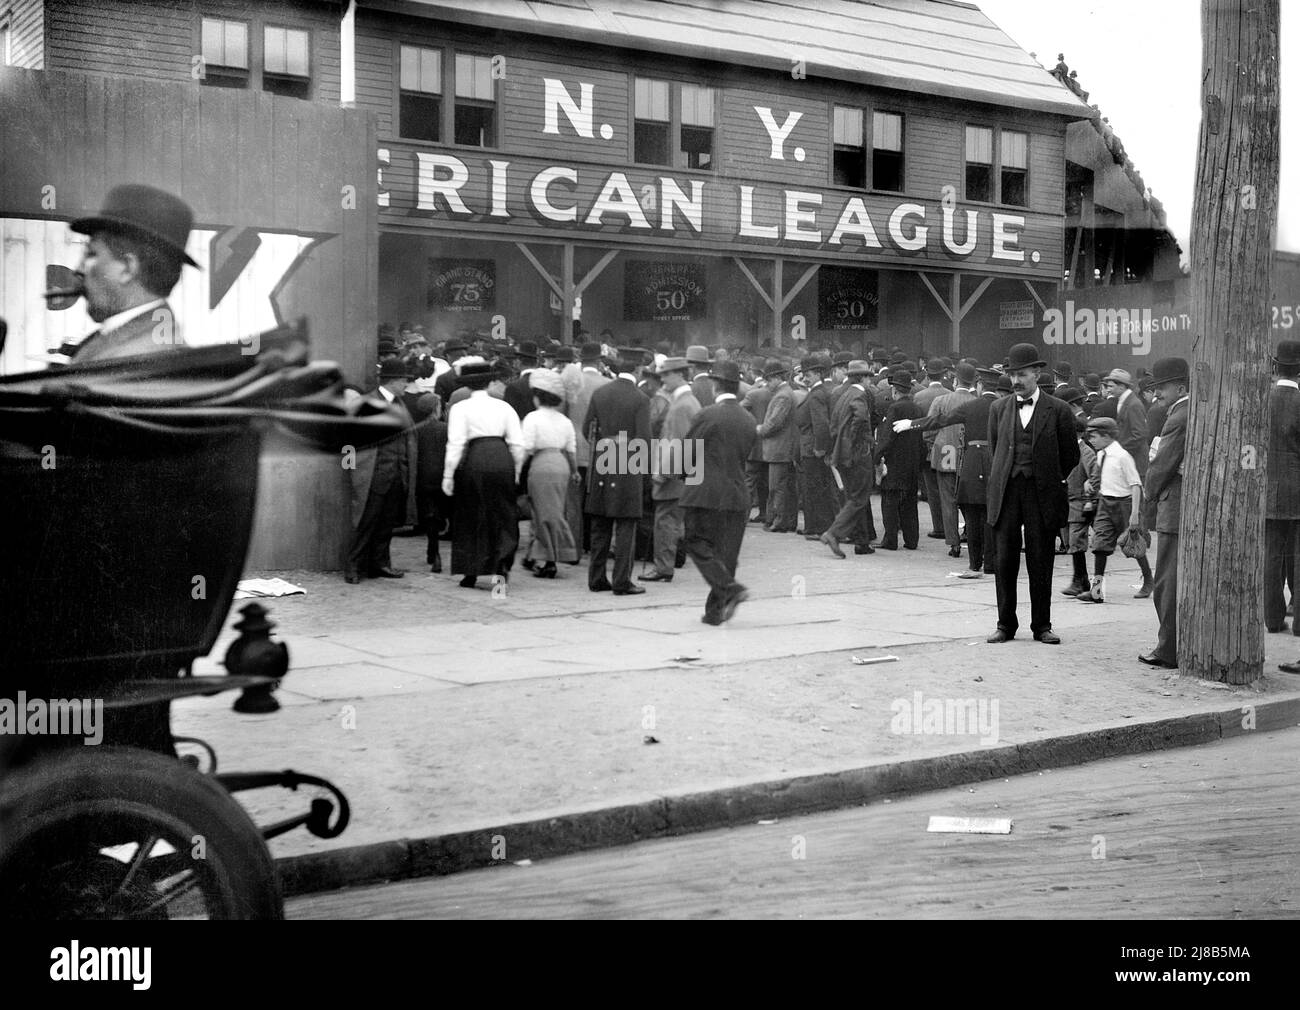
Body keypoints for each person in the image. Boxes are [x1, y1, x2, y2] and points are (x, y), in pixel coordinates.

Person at [985, 342, 1080, 644]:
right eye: (1012, 375)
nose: (1015, 381)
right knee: (1005, 560)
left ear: (1037, 374)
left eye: (1022, 375)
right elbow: (995, 447)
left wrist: (1049, 478)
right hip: (1008, 491)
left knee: (1041, 559)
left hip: (1042, 493)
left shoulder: (1059, 410)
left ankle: (1042, 625)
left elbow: (1071, 456)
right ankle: (1005, 624)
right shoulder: (998, 408)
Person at [61, 184, 199, 362]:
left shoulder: (129, 359)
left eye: (90, 254)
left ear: (127, 268)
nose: (78, 269)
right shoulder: (151, 342)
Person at [893, 367, 1003, 576]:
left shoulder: (971, 407)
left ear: (980, 385)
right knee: (991, 515)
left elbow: (940, 420)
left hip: (971, 463)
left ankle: (974, 562)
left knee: (971, 513)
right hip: (995, 464)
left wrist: (911, 424)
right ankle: (990, 562)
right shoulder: (1004, 408)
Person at [679, 360, 757, 625]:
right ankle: (715, 612)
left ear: (715, 385)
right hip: (737, 494)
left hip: (705, 494)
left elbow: (688, 454)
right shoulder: (748, 419)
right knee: (726, 554)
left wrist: (680, 474)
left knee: (696, 542)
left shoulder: (706, 414)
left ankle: (730, 588)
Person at [442, 358, 525, 590]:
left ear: (468, 386)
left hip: (475, 459)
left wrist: (448, 475)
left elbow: (456, 443)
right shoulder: (505, 407)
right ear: (490, 382)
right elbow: (518, 444)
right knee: (503, 513)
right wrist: (516, 471)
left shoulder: (460, 408)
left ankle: (471, 571)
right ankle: (502, 567)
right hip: (502, 458)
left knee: (471, 514)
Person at [584, 352, 651, 595]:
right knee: (626, 524)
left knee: (600, 523)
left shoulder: (600, 393)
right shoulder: (640, 398)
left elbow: (586, 428)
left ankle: (596, 578)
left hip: (603, 458)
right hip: (627, 462)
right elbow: (644, 438)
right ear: (638, 371)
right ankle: (622, 581)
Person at [345, 357, 417, 583]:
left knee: (387, 524)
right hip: (373, 475)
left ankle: (380, 564)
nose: (407, 385)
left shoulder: (401, 404)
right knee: (366, 522)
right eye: (405, 380)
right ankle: (353, 567)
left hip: (397, 474)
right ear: (394, 381)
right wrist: (352, 472)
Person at [1139, 357, 1190, 669]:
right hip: (1186, 504)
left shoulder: (1178, 417)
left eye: (1162, 388)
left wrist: (1148, 493)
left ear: (1181, 386)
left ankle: (1167, 649)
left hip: (1174, 505)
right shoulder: (1188, 410)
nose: (1156, 394)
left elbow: (1161, 467)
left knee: (1166, 583)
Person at [640, 357, 700, 583]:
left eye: (665, 374)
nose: (662, 379)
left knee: (664, 521)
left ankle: (663, 567)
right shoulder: (687, 401)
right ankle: (667, 563)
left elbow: (680, 444)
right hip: (683, 474)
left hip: (673, 476)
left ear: (679, 375)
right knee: (673, 521)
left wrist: (662, 473)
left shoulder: (682, 404)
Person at [1073, 416, 1143, 604]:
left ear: (1106, 436)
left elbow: (1136, 484)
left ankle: (1148, 578)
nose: (1091, 440)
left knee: (1134, 546)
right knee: (1099, 546)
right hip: (1105, 503)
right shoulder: (1102, 454)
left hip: (1124, 504)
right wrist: (1091, 483)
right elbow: (1099, 475)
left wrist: (1135, 513)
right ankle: (1096, 591)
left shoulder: (1122, 456)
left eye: (1094, 436)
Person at [519, 368, 579, 578]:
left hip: (541, 465)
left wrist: (517, 470)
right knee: (553, 510)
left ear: (538, 397)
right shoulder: (565, 421)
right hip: (561, 464)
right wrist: (574, 472)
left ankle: (550, 560)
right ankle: (534, 554)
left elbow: (526, 448)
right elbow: (571, 450)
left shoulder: (532, 418)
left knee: (543, 513)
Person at [821, 360, 879, 557]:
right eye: (869, 377)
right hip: (857, 455)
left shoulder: (843, 394)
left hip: (842, 454)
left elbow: (834, 426)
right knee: (859, 497)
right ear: (862, 378)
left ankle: (862, 542)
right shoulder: (860, 395)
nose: (871, 381)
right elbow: (861, 418)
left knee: (854, 497)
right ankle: (833, 533)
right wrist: (861, 440)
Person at [1265, 340, 1300, 633]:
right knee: (1298, 558)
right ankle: (1299, 622)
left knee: (1271, 556)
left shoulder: (1262, 400)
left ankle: (1273, 619)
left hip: (1268, 490)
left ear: (1276, 367)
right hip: (1297, 489)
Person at [928, 362, 978, 558]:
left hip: (944, 453)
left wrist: (933, 444)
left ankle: (953, 544)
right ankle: (972, 535)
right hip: (968, 455)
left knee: (948, 500)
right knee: (969, 500)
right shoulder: (977, 401)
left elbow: (930, 428)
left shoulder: (941, 400)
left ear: (956, 380)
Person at [876, 369, 923, 550]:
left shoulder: (894, 408)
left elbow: (887, 437)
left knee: (890, 501)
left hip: (894, 462)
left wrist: (877, 455)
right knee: (910, 503)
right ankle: (912, 540)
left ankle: (890, 540)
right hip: (911, 462)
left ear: (895, 390)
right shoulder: (917, 408)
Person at [1057, 387, 1097, 597]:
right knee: (1074, 543)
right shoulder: (1076, 449)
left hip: (1081, 502)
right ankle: (1080, 580)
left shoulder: (1085, 451)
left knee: (1077, 542)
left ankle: (1081, 581)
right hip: (1073, 501)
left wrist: (1089, 492)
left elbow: (1095, 475)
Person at [795, 354, 836, 539]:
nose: (805, 377)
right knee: (817, 489)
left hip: (813, 450)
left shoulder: (817, 394)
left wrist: (820, 448)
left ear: (819, 374)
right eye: (804, 374)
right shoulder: (819, 392)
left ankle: (817, 527)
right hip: (813, 447)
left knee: (814, 489)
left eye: (808, 374)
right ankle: (816, 526)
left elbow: (821, 424)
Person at [756, 359, 798, 532]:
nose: (766, 384)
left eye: (768, 380)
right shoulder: (786, 393)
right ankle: (784, 520)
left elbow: (774, 423)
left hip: (779, 449)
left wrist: (760, 429)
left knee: (777, 487)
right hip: (783, 448)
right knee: (784, 486)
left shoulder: (782, 395)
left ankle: (779, 522)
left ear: (775, 378)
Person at [914, 358, 950, 540]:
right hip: (946, 447)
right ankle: (949, 526)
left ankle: (938, 527)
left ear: (927, 374)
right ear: (943, 375)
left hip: (925, 447)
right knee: (946, 488)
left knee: (932, 490)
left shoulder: (919, 396)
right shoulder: (949, 394)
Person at [503, 340, 541, 420]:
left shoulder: (513, 387)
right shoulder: (546, 383)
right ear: (537, 362)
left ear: (519, 361)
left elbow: (509, 418)